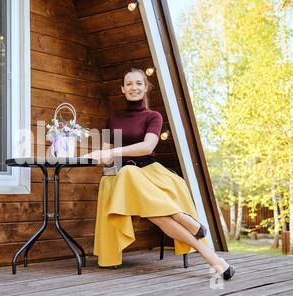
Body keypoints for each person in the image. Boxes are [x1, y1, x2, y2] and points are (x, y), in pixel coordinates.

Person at [81, 68, 235, 280]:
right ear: (122, 89)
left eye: (138, 83)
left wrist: (111, 152)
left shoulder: (154, 116)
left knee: (145, 197)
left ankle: (210, 255)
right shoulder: (113, 119)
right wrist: (92, 155)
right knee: (129, 176)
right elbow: (108, 158)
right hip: (124, 177)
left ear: (145, 88)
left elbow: (147, 147)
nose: (133, 87)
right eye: (129, 84)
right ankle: (205, 249)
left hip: (149, 172)